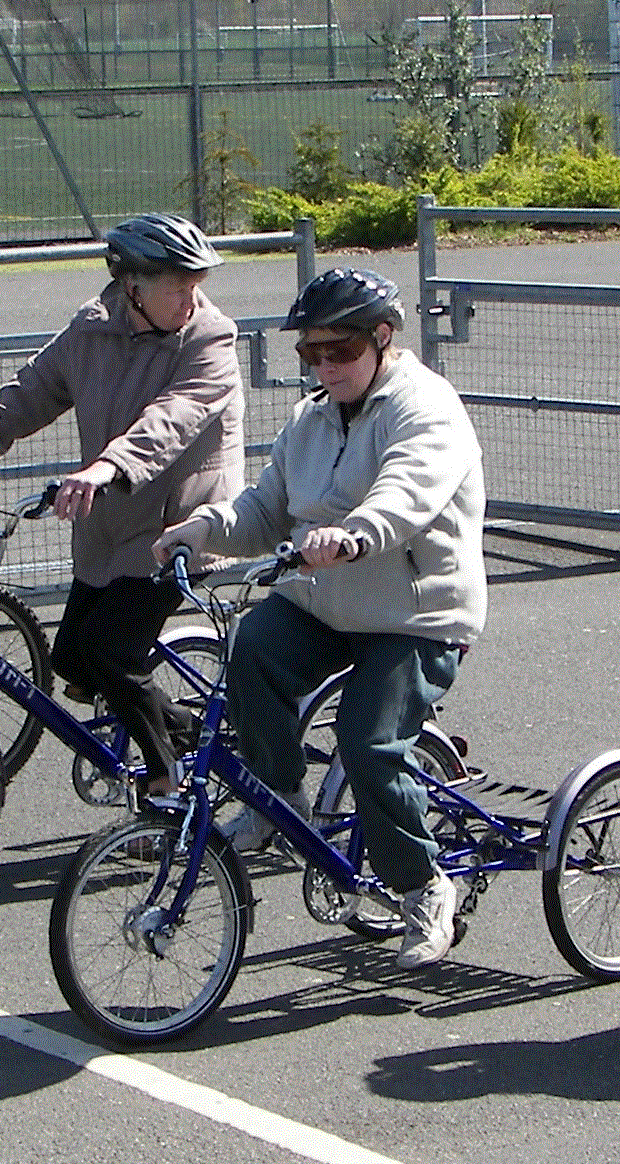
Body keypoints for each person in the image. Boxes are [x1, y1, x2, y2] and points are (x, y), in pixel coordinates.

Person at [154, 268, 485, 971]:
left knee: (368, 745)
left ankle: (425, 886)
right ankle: (282, 799)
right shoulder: (312, 417)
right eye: (312, 354)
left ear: (383, 339)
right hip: (325, 603)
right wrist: (203, 529)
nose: (325, 366)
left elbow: (409, 489)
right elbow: (266, 508)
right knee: (252, 647)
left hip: (413, 615)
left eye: (340, 352)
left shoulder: (426, 408)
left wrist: (354, 534)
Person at [0, 213, 242, 810]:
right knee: (70, 660)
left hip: (177, 528)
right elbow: (25, 395)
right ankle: (196, 737)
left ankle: (170, 783)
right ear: (132, 285)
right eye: (179, 284)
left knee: (114, 658)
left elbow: (172, 420)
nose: (192, 296)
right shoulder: (92, 330)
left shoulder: (210, 338)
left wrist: (106, 467)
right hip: (111, 525)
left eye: (197, 282)